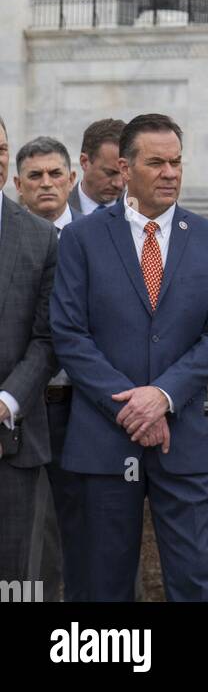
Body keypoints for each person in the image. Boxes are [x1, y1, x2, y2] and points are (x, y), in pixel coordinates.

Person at [50, 113, 208, 602]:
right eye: (156, 162)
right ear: (125, 168)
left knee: (194, 582)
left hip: (181, 439)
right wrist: (130, 407)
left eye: (176, 161)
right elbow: (69, 334)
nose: (170, 172)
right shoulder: (81, 239)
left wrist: (162, 396)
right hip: (104, 440)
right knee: (103, 586)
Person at [14, 137, 85, 601]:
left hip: (84, 411)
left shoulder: (99, 238)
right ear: (18, 186)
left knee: (92, 534)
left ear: (71, 179)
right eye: (35, 176)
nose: (46, 184)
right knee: (30, 543)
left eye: (55, 174)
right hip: (23, 414)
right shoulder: (12, 238)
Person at [0, 116, 57, 585]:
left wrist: (5, 402)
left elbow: (47, 338)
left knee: (16, 584)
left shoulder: (41, 237)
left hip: (12, 443)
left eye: (0, 148)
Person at [68, 118, 125, 214]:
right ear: (84, 162)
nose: (119, 183)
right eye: (110, 173)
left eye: (125, 172)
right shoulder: (56, 211)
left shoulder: (142, 214)